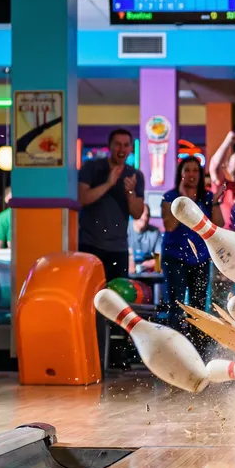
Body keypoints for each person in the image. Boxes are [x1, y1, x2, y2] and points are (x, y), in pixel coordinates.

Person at [160, 157, 223, 344]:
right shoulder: (170, 197)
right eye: (187, 170)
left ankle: (198, 347)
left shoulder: (207, 197)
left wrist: (216, 203)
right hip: (174, 256)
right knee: (176, 305)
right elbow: (170, 226)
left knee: (199, 307)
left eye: (195, 170)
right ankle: (175, 346)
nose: (191, 174)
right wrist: (183, 200)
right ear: (180, 174)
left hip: (200, 257)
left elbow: (219, 225)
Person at [78, 129, 145, 280]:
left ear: (130, 148)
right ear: (109, 146)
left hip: (118, 248)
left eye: (126, 145)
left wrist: (130, 192)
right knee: (89, 291)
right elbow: (82, 198)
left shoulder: (135, 176)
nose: (122, 149)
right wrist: (109, 183)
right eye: (118, 144)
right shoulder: (91, 167)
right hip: (90, 246)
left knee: (116, 294)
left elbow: (137, 214)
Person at [127, 206, 161, 273]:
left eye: (147, 215)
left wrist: (147, 265)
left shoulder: (155, 232)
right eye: (141, 213)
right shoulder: (125, 229)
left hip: (148, 272)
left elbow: (158, 259)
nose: (144, 218)